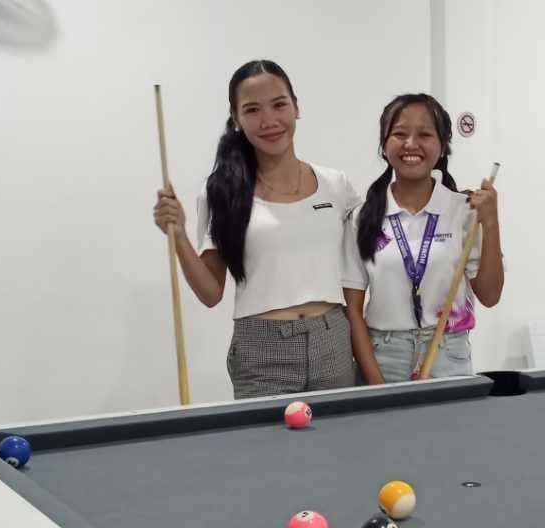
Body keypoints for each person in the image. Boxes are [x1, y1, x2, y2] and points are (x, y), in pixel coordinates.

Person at [153, 60, 359, 399]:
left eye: (279, 104)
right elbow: (210, 293)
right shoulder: (221, 193)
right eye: (252, 110)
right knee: (266, 451)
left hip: (333, 339)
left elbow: (357, 274)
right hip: (262, 349)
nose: (269, 121)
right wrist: (178, 236)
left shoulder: (337, 186)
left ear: (296, 106)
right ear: (236, 119)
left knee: (337, 450)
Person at [342, 93, 504, 384]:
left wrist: (491, 223)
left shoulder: (463, 211)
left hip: (447, 352)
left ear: (442, 147)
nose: (411, 144)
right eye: (400, 134)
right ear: (383, 146)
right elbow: (352, 311)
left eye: (425, 134)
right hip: (383, 355)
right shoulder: (362, 217)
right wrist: (376, 383)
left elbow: (490, 296)